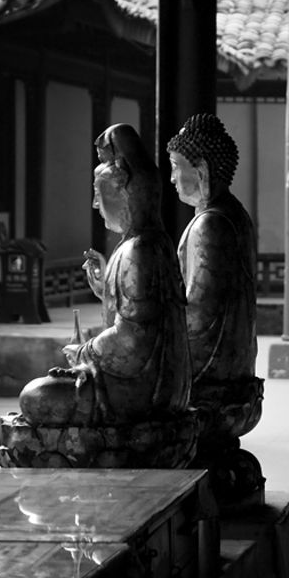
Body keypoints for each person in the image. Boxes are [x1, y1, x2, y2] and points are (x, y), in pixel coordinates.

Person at [19, 123, 192, 428]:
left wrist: (84, 352)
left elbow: (132, 339)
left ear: (124, 194)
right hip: (160, 386)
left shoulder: (138, 250)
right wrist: (106, 291)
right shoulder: (153, 243)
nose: (95, 205)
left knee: (35, 396)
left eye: (99, 194)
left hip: (138, 392)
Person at [167, 113, 264, 497]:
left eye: (177, 167)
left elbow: (200, 316)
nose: (172, 179)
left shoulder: (210, 224)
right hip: (239, 375)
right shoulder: (235, 215)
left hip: (210, 381)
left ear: (202, 170)